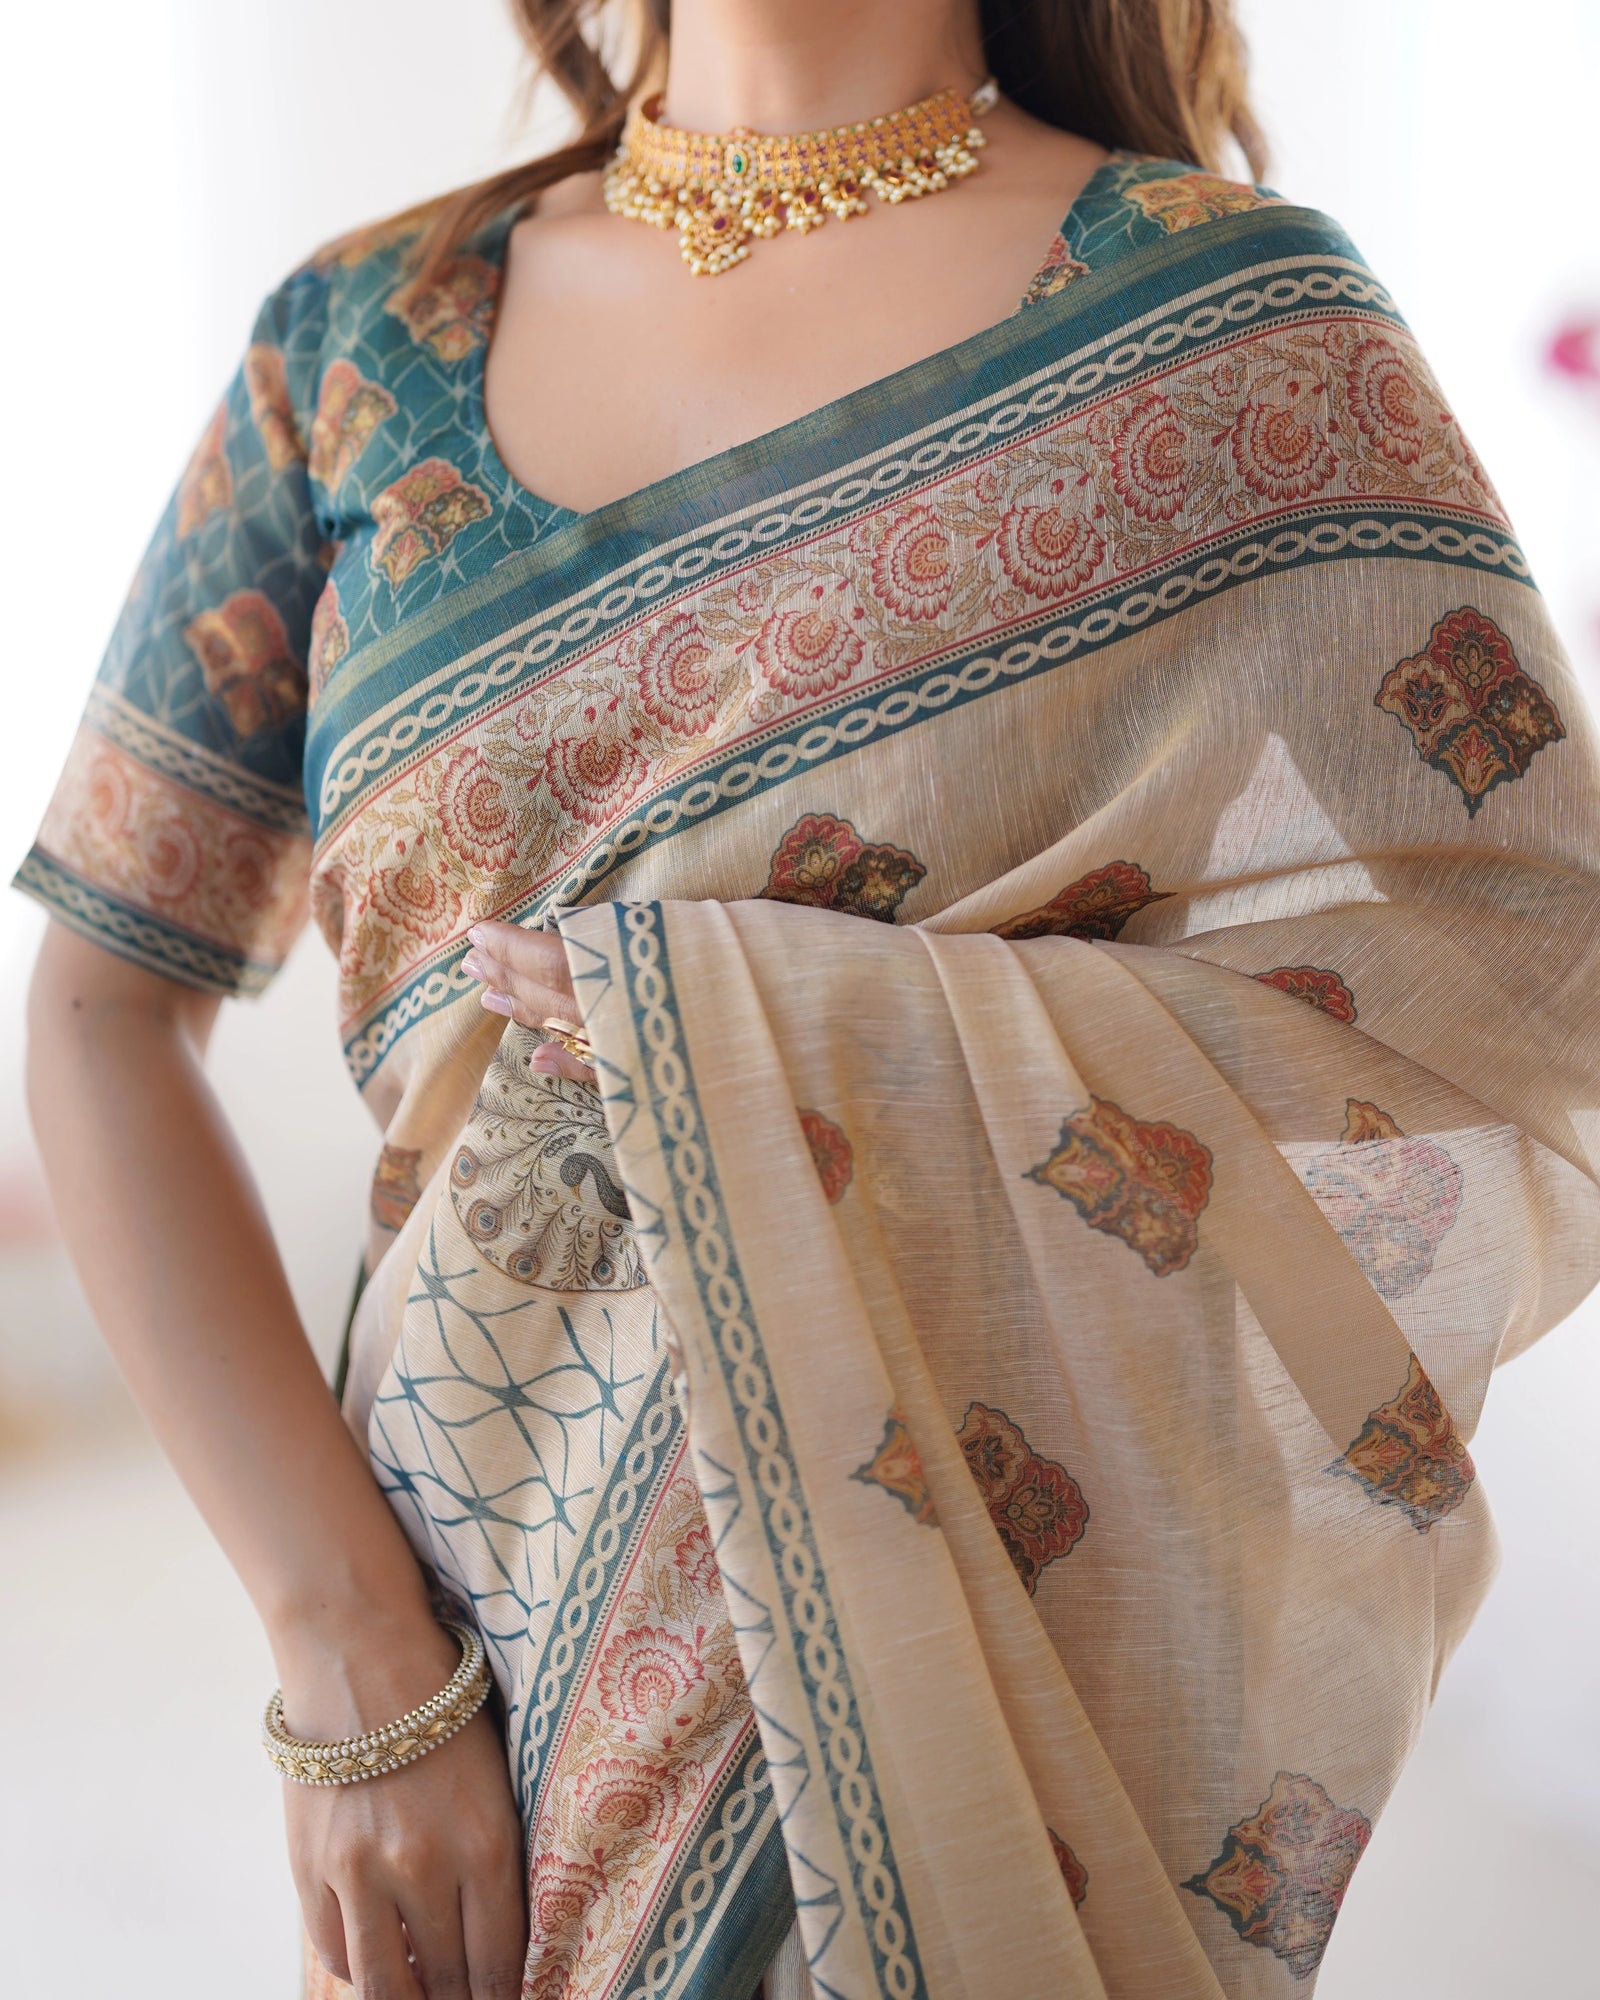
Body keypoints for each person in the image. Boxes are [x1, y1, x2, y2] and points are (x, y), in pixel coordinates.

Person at [19, 0, 1600, 1995]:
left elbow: (1524, 981)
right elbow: (98, 1011)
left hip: (980, 1633)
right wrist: (345, 1644)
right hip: (474, 1653)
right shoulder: (354, 348)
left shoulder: (1220, 326)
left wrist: (766, 1022)